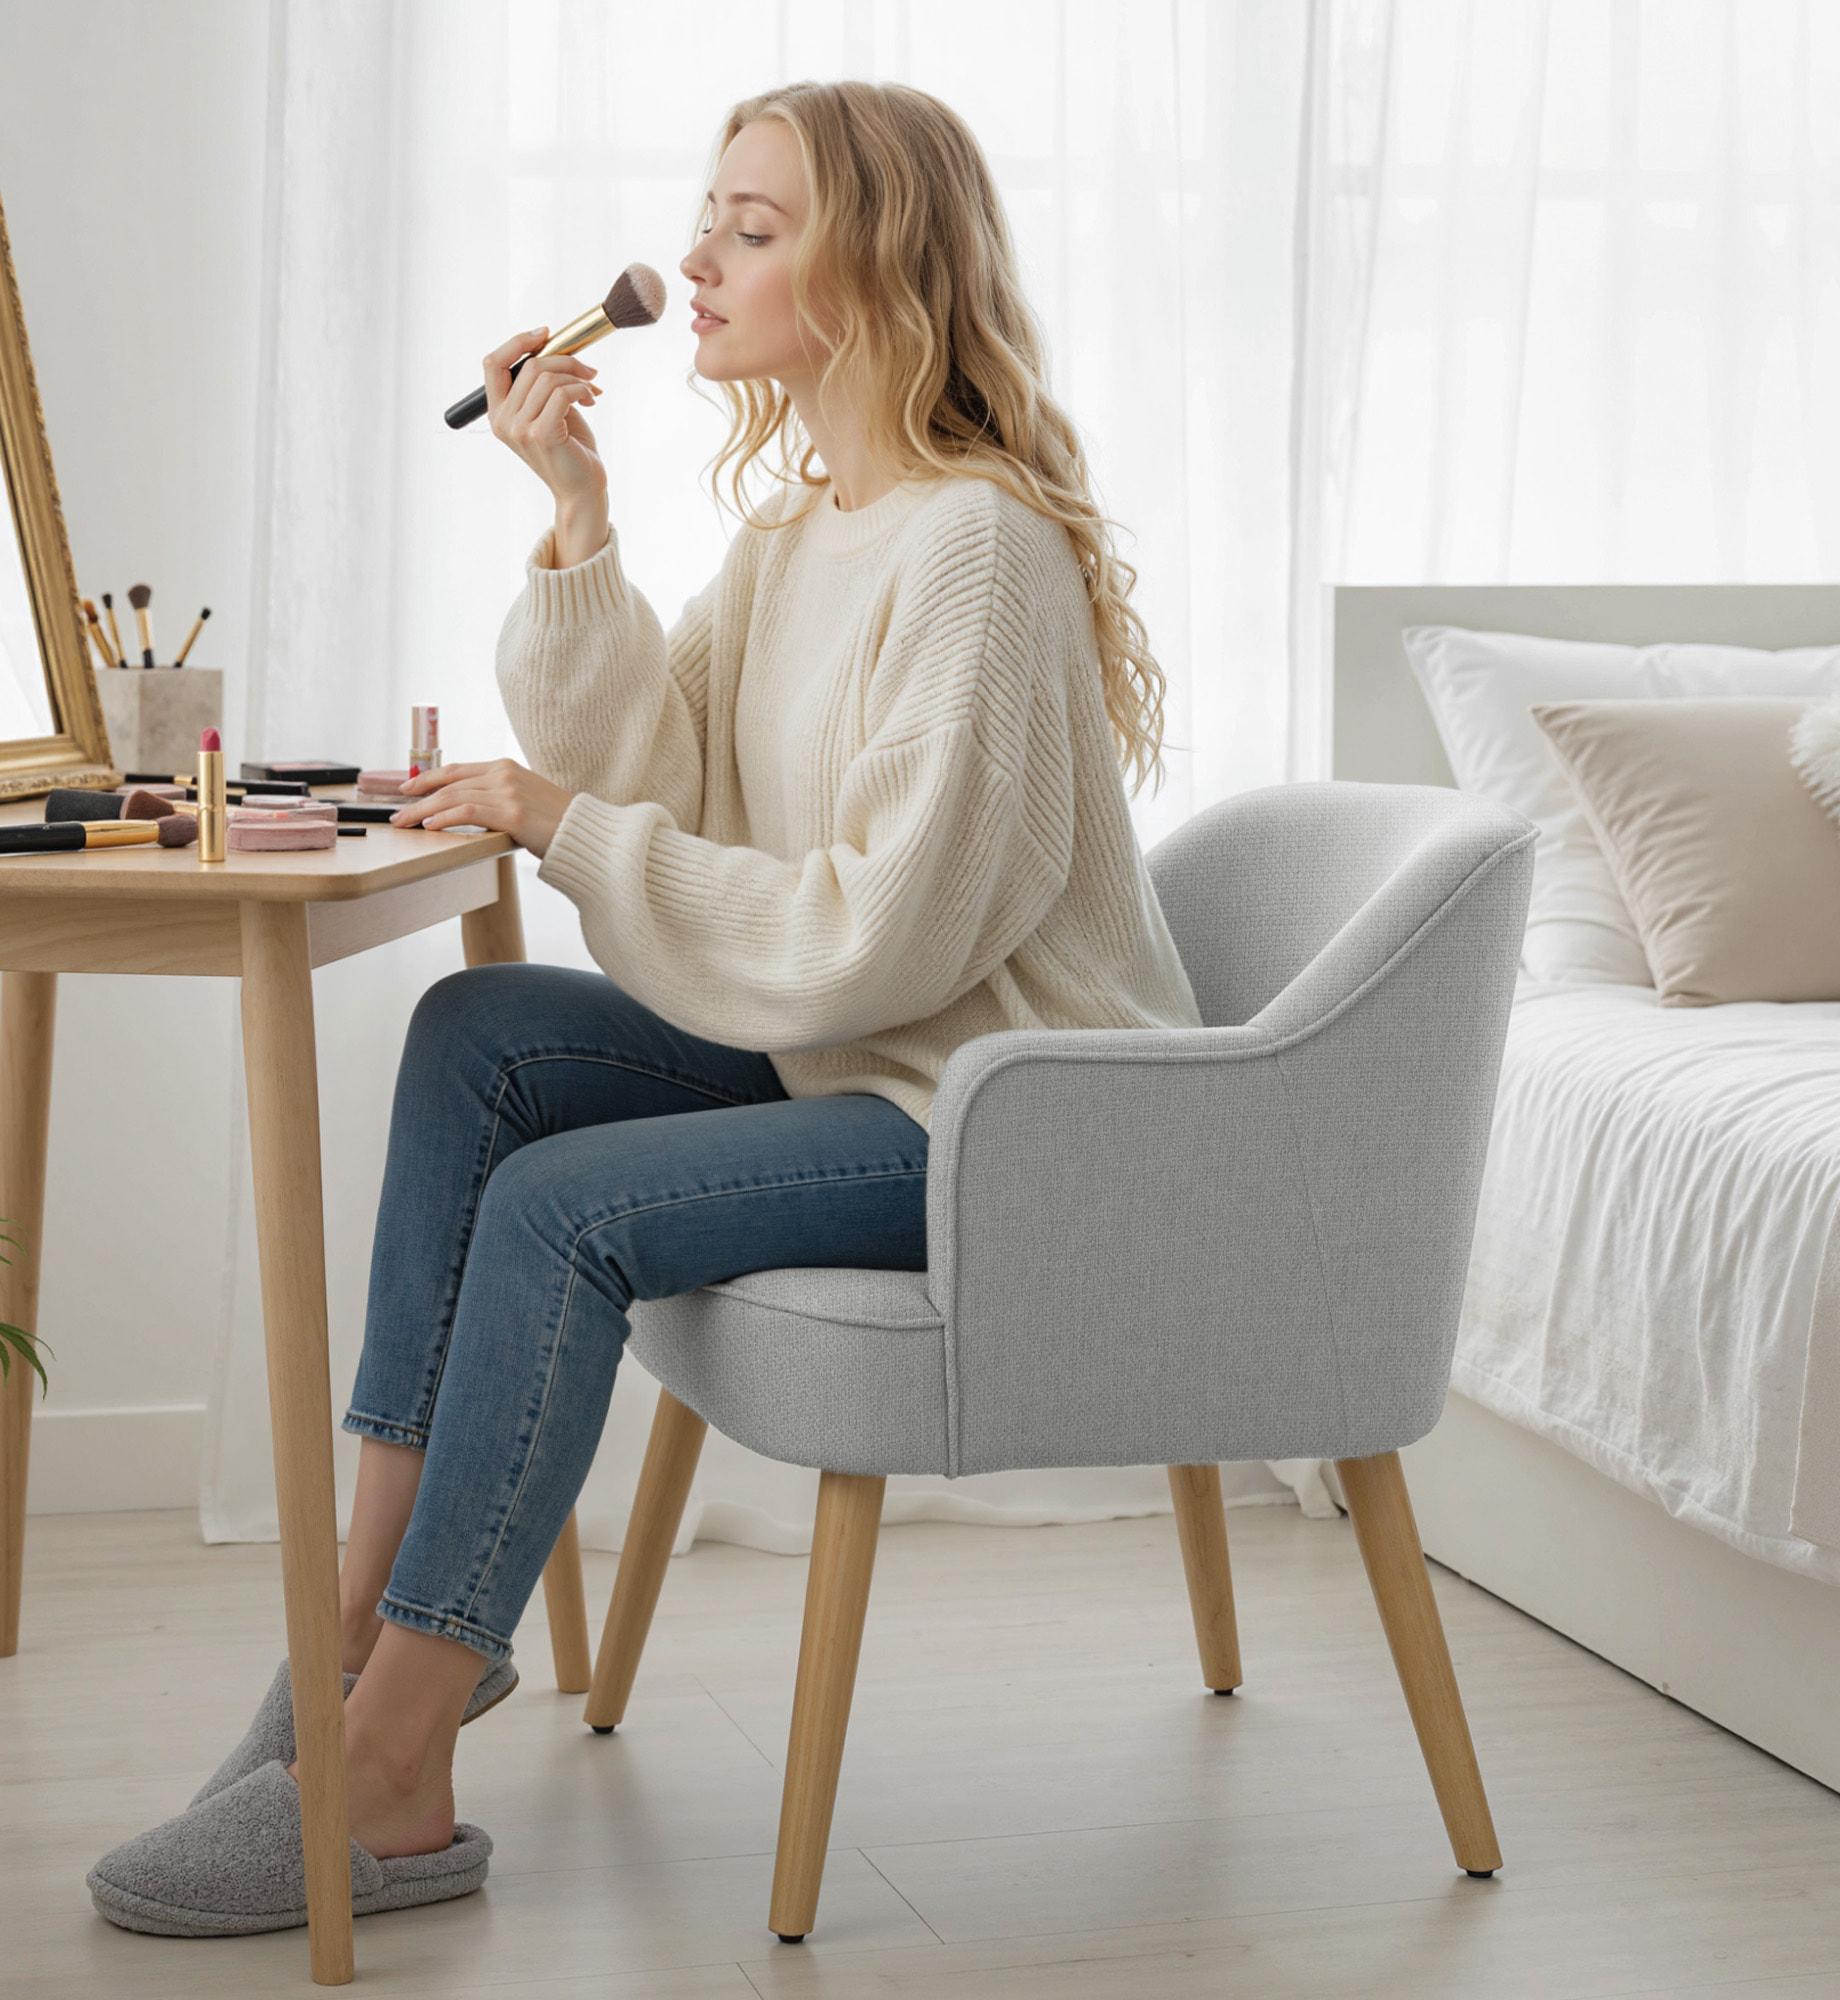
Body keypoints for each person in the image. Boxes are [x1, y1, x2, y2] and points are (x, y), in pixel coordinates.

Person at [88, 76, 1202, 1940]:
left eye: (753, 230)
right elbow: (662, 778)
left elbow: (885, 935)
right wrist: (578, 513)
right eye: (712, 216)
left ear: (883, 270)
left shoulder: (974, 555)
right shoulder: (797, 537)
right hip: (867, 1063)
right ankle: (354, 1638)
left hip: (1003, 1117)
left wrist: (564, 818)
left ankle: (393, 1767)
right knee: (479, 1036)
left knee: (562, 1201)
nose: (696, 259)